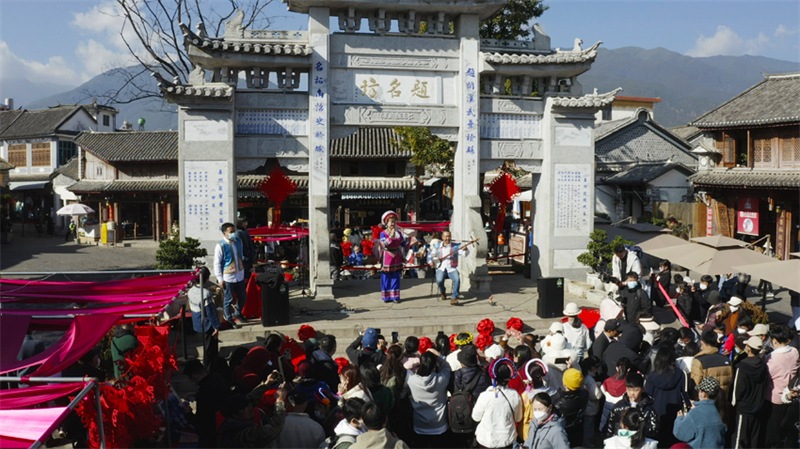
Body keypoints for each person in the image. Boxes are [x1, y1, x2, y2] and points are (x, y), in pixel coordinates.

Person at [472, 358, 523, 449]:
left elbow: (476, 417)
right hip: (506, 440)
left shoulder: (485, 396)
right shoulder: (514, 395)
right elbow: (518, 418)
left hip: (486, 441)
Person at [404, 349, 451, 447]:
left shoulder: (412, 379)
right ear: (435, 365)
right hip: (440, 425)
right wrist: (437, 357)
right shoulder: (441, 379)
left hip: (420, 426)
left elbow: (405, 368)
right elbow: (446, 366)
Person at [763, 323, 800, 448]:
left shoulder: (771, 357)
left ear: (774, 341)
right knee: (786, 430)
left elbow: (766, 377)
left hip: (774, 398)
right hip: (791, 395)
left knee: (772, 433)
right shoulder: (794, 352)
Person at [644, 346, 687, 446]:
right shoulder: (680, 374)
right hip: (675, 413)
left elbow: (648, 396)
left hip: (656, 414)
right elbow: (683, 393)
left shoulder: (651, 376)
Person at [731, 336, 767, 449]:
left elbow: (737, 390)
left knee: (739, 440)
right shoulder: (763, 365)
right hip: (758, 408)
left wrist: (733, 404)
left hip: (744, 409)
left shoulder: (741, 367)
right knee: (753, 440)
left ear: (748, 348)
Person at [673, 376, 727, 449]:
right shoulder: (720, 410)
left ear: (704, 394)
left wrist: (679, 418)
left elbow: (680, 433)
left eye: (699, 391)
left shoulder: (695, 413)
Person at [604, 372, 659, 440]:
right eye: (629, 390)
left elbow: (654, 431)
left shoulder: (648, 410)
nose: (632, 393)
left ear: (642, 389)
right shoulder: (618, 407)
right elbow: (610, 427)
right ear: (626, 389)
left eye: (636, 390)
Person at [214, 222, 247, 327]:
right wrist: (220, 279)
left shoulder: (238, 241)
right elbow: (217, 263)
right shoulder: (221, 245)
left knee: (242, 296)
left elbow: (241, 256)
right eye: (231, 232)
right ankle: (228, 318)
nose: (233, 233)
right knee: (228, 299)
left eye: (234, 231)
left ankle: (238, 313)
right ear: (224, 233)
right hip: (228, 276)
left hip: (240, 274)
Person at [186, 267, 221, 365]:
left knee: (206, 345)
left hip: (197, 321)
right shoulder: (205, 294)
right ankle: (209, 366)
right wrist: (216, 326)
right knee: (210, 348)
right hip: (207, 323)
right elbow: (210, 312)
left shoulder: (190, 291)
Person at [428, 230, 470, 306]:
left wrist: (465, 249)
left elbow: (464, 254)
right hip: (441, 267)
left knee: (457, 279)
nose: (448, 238)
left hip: (452, 268)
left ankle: (454, 297)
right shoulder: (437, 246)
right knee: (439, 280)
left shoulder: (455, 246)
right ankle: (443, 291)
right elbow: (430, 255)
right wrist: (430, 262)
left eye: (449, 236)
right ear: (442, 237)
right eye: (446, 236)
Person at [690, 330, 733, 399]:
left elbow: (695, 383)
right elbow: (730, 381)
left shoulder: (698, 361)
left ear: (702, 342)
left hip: (706, 402)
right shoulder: (726, 360)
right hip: (723, 400)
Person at [553, 367, 589, 447]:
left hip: (565, 435)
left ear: (564, 383)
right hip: (578, 433)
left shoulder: (559, 404)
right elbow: (577, 383)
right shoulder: (585, 394)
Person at [378, 211, 407, 303]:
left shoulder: (399, 233)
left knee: (395, 276)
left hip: (397, 257)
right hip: (387, 257)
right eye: (391, 221)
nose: (393, 223)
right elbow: (383, 245)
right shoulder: (383, 233)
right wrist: (390, 237)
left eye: (394, 221)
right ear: (386, 223)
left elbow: (403, 244)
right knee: (386, 277)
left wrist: (410, 241)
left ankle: (395, 296)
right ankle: (386, 297)